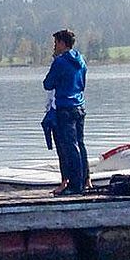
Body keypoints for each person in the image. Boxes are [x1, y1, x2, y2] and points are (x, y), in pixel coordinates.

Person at [43, 29, 89, 195]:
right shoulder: (81, 60)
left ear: (62, 43)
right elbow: (82, 83)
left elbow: (48, 84)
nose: (54, 46)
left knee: (70, 146)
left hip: (65, 107)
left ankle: (75, 185)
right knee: (80, 144)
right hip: (80, 106)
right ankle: (85, 180)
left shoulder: (60, 62)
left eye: (56, 43)